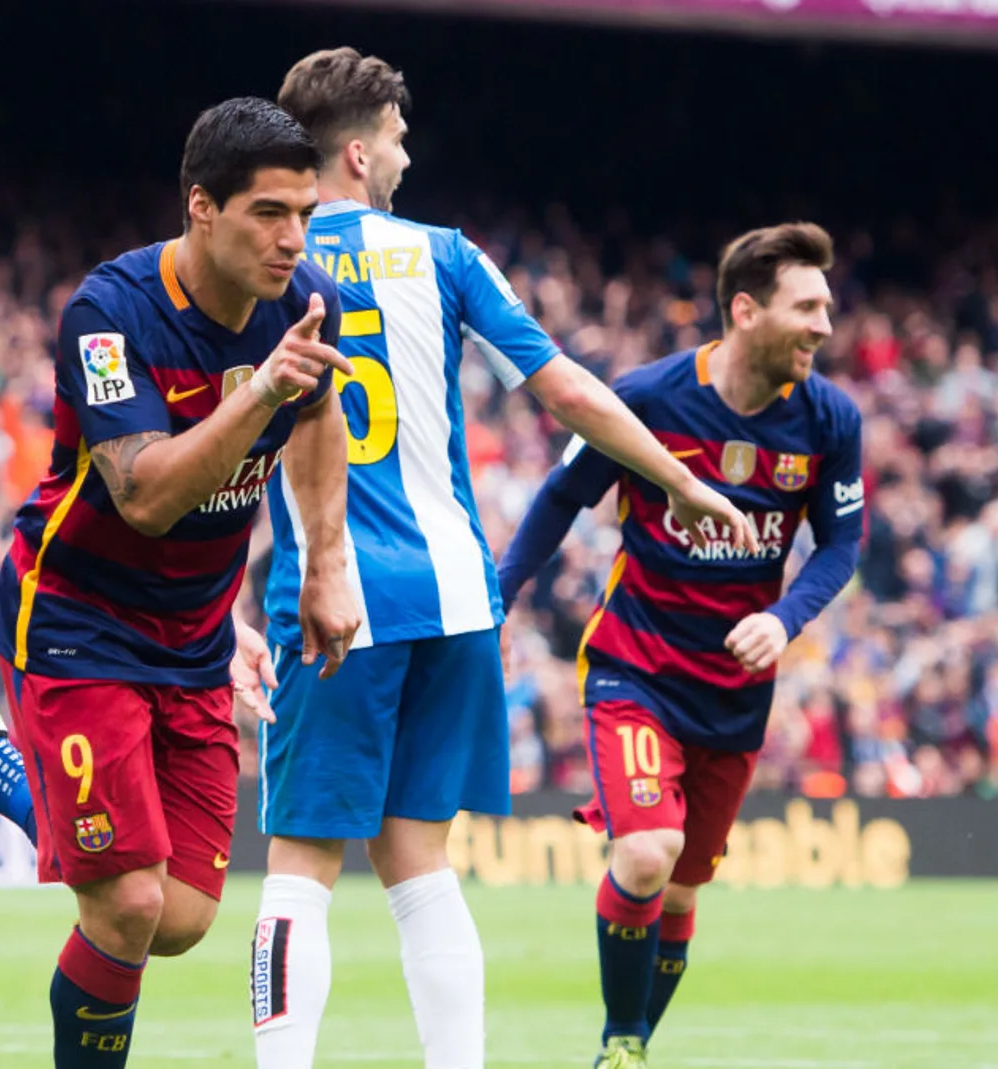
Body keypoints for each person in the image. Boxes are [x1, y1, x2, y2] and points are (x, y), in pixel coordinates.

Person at [242, 48, 757, 1069]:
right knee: (421, 868)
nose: (403, 151)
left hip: (336, 594)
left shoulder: (268, 265)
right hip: (454, 597)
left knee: (300, 866)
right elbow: (565, 390)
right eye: (392, 136)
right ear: (355, 150)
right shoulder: (444, 253)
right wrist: (682, 478)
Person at [0, 97, 362, 1069]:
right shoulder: (108, 315)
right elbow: (144, 496)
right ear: (201, 206)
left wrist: (326, 558)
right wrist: (264, 388)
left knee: (180, 915)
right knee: (127, 898)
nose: (293, 238)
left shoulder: (307, 302)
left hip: (191, 637)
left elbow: (318, 413)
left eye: (304, 214)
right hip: (74, 620)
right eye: (268, 212)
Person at [495, 223, 864, 1069]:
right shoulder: (650, 397)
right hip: (637, 664)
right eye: (807, 306)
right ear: (745, 309)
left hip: (734, 692)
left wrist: (785, 618)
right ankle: (621, 1044)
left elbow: (841, 545)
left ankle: (629, 1051)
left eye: (828, 309)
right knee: (648, 850)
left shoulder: (831, 419)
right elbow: (561, 495)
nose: (824, 326)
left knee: (684, 887)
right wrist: (499, 590)